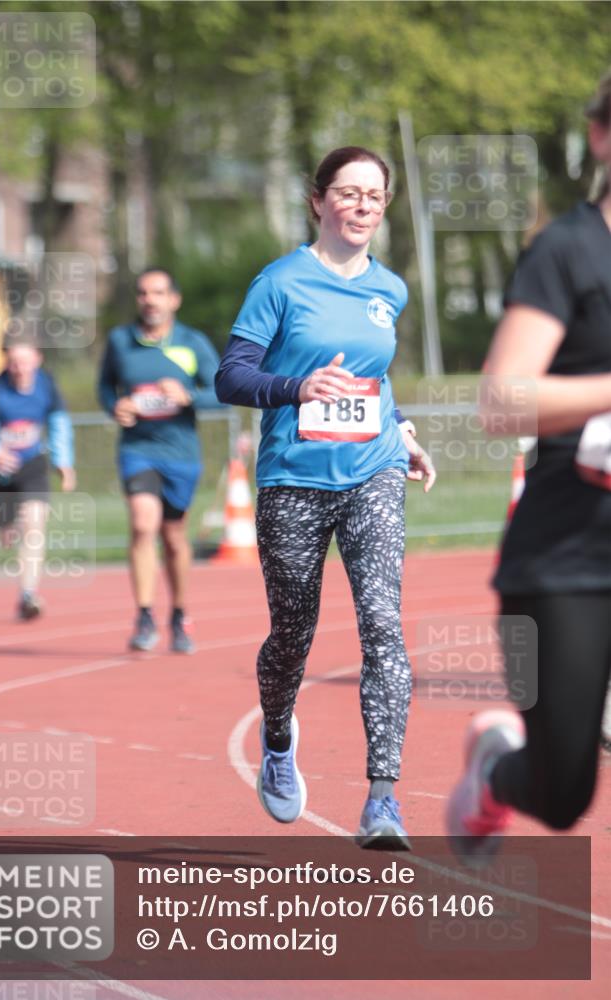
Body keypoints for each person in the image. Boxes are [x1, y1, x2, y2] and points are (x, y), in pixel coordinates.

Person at [216, 146, 436, 849]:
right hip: (292, 481)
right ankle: (277, 739)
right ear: (318, 201)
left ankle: (382, 800)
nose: (363, 205)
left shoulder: (391, 289)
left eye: (374, 195)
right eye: (348, 193)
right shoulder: (279, 282)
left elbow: (375, 379)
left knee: (382, 624)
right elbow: (231, 376)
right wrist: (295, 387)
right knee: (293, 634)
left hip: (370, 473)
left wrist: (400, 430)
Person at [447, 71, 611, 857]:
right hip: (565, 559)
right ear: (600, 136)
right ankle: (493, 772)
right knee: (561, 792)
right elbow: (500, 402)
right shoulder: (567, 252)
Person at [98, 267, 223, 654]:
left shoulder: (191, 342)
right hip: (137, 449)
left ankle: (179, 614)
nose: (149, 300)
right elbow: (105, 387)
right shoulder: (120, 341)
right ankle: (145, 614)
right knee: (142, 524)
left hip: (180, 453)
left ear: (174, 300)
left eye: (157, 293)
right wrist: (114, 406)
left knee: (173, 538)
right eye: (142, 293)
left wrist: (188, 396)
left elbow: (222, 389)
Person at [0, 332, 76, 620]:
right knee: (8, 531)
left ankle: (28, 594)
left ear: (38, 358)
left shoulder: (47, 385)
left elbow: (58, 422)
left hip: (32, 464)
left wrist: (64, 462)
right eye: (13, 362)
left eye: (25, 361)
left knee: (34, 525)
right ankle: (3, 521)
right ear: (5, 361)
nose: (20, 368)